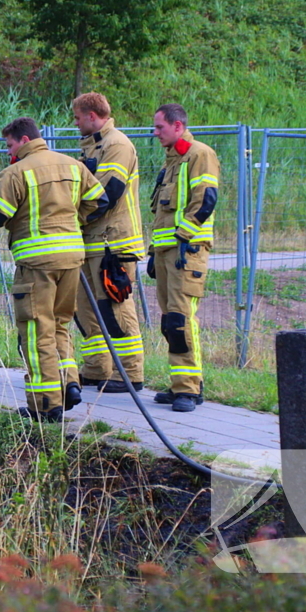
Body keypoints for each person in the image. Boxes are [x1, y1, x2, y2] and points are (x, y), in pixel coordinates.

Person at [0, 117, 108, 423]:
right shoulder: (73, 165)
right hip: (72, 259)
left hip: (37, 264)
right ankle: (70, 384)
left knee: (36, 332)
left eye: (9, 144)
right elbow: (99, 201)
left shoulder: (15, 172)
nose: (8, 150)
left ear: (23, 140)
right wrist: (72, 224)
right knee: (60, 324)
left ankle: (46, 405)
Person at [147, 103, 219, 412]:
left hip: (185, 253)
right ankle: (181, 385)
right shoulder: (173, 160)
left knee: (180, 319)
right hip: (167, 254)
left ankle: (188, 389)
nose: (155, 133)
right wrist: (154, 252)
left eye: (160, 127)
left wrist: (182, 239)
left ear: (178, 126)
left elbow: (205, 202)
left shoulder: (198, 154)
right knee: (169, 321)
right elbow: (161, 212)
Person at [71, 93, 145, 393]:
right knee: (85, 308)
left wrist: (72, 213)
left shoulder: (117, 145)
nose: (75, 123)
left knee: (115, 307)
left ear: (92, 115)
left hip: (114, 243)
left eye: (77, 118)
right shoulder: (93, 145)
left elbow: (108, 192)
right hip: (91, 241)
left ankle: (128, 373)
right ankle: (97, 367)